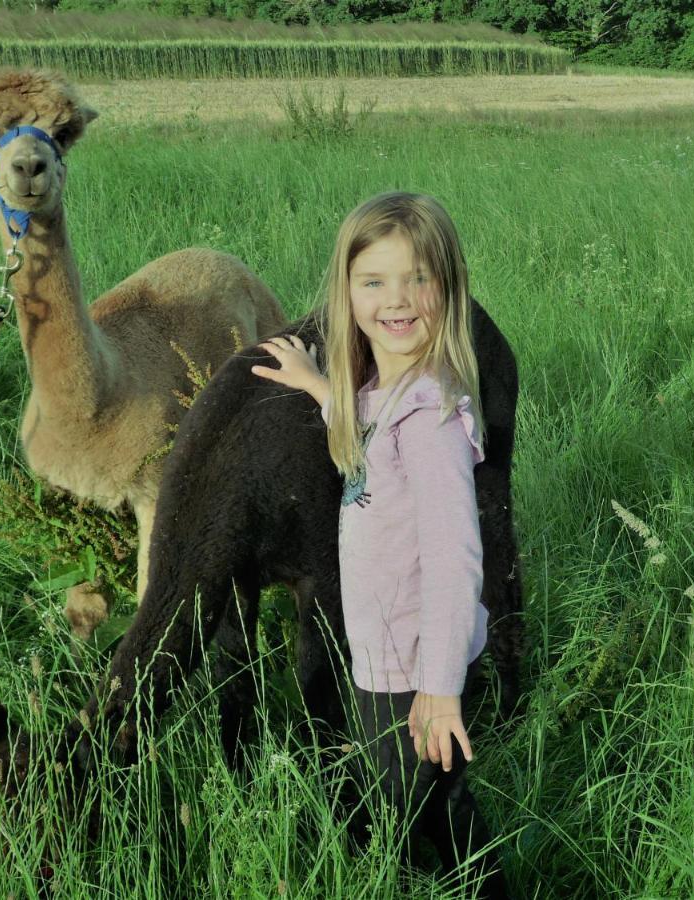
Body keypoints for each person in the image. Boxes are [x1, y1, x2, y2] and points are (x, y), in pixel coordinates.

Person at [252, 192, 507, 897]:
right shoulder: (380, 393)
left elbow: (458, 563)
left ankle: (412, 886)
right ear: (347, 292)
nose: (396, 301)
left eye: (417, 279)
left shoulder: (430, 424)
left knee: (403, 807)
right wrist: (316, 385)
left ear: (448, 290)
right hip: (389, 655)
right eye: (374, 282)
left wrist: (441, 687)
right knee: (436, 796)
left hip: (415, 666)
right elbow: (363, 433)